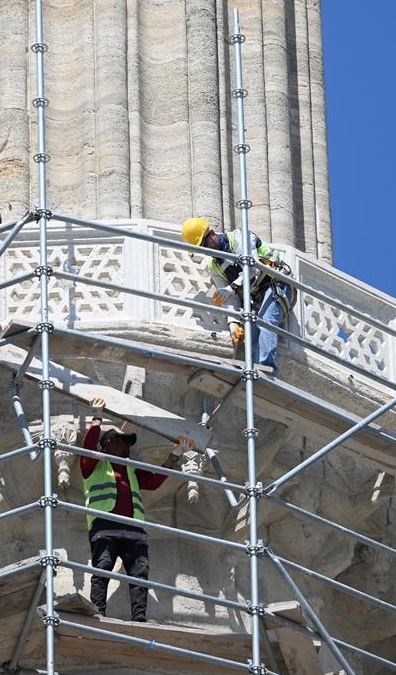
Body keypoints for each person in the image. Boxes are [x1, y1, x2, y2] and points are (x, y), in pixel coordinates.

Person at [80, 397, 194, 622]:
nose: (127, 445)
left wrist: (176, 454)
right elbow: (89, 446)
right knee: (102, 568)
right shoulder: (94, 465)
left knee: (139, 573)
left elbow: (154, 481)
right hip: (105, 525)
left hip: (134, 528)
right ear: (107, 443)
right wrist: (97, 418)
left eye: (127, 442)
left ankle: (139, 617)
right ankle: (98, 612)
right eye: (121, 440)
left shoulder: (131, 469)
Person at [181, 217, 293, 377]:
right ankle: (255, 373)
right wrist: (233, 323)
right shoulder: (214, 266)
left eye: (204, 245)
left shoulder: (240, 237)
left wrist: (231, 288)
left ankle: (268, 371)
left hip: (276, 283)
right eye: (200, 249)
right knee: (252, 333)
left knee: (266, 322)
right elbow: (230, 299)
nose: (205, 251)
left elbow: (253, 268)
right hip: (257, 297)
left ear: (212, 234)